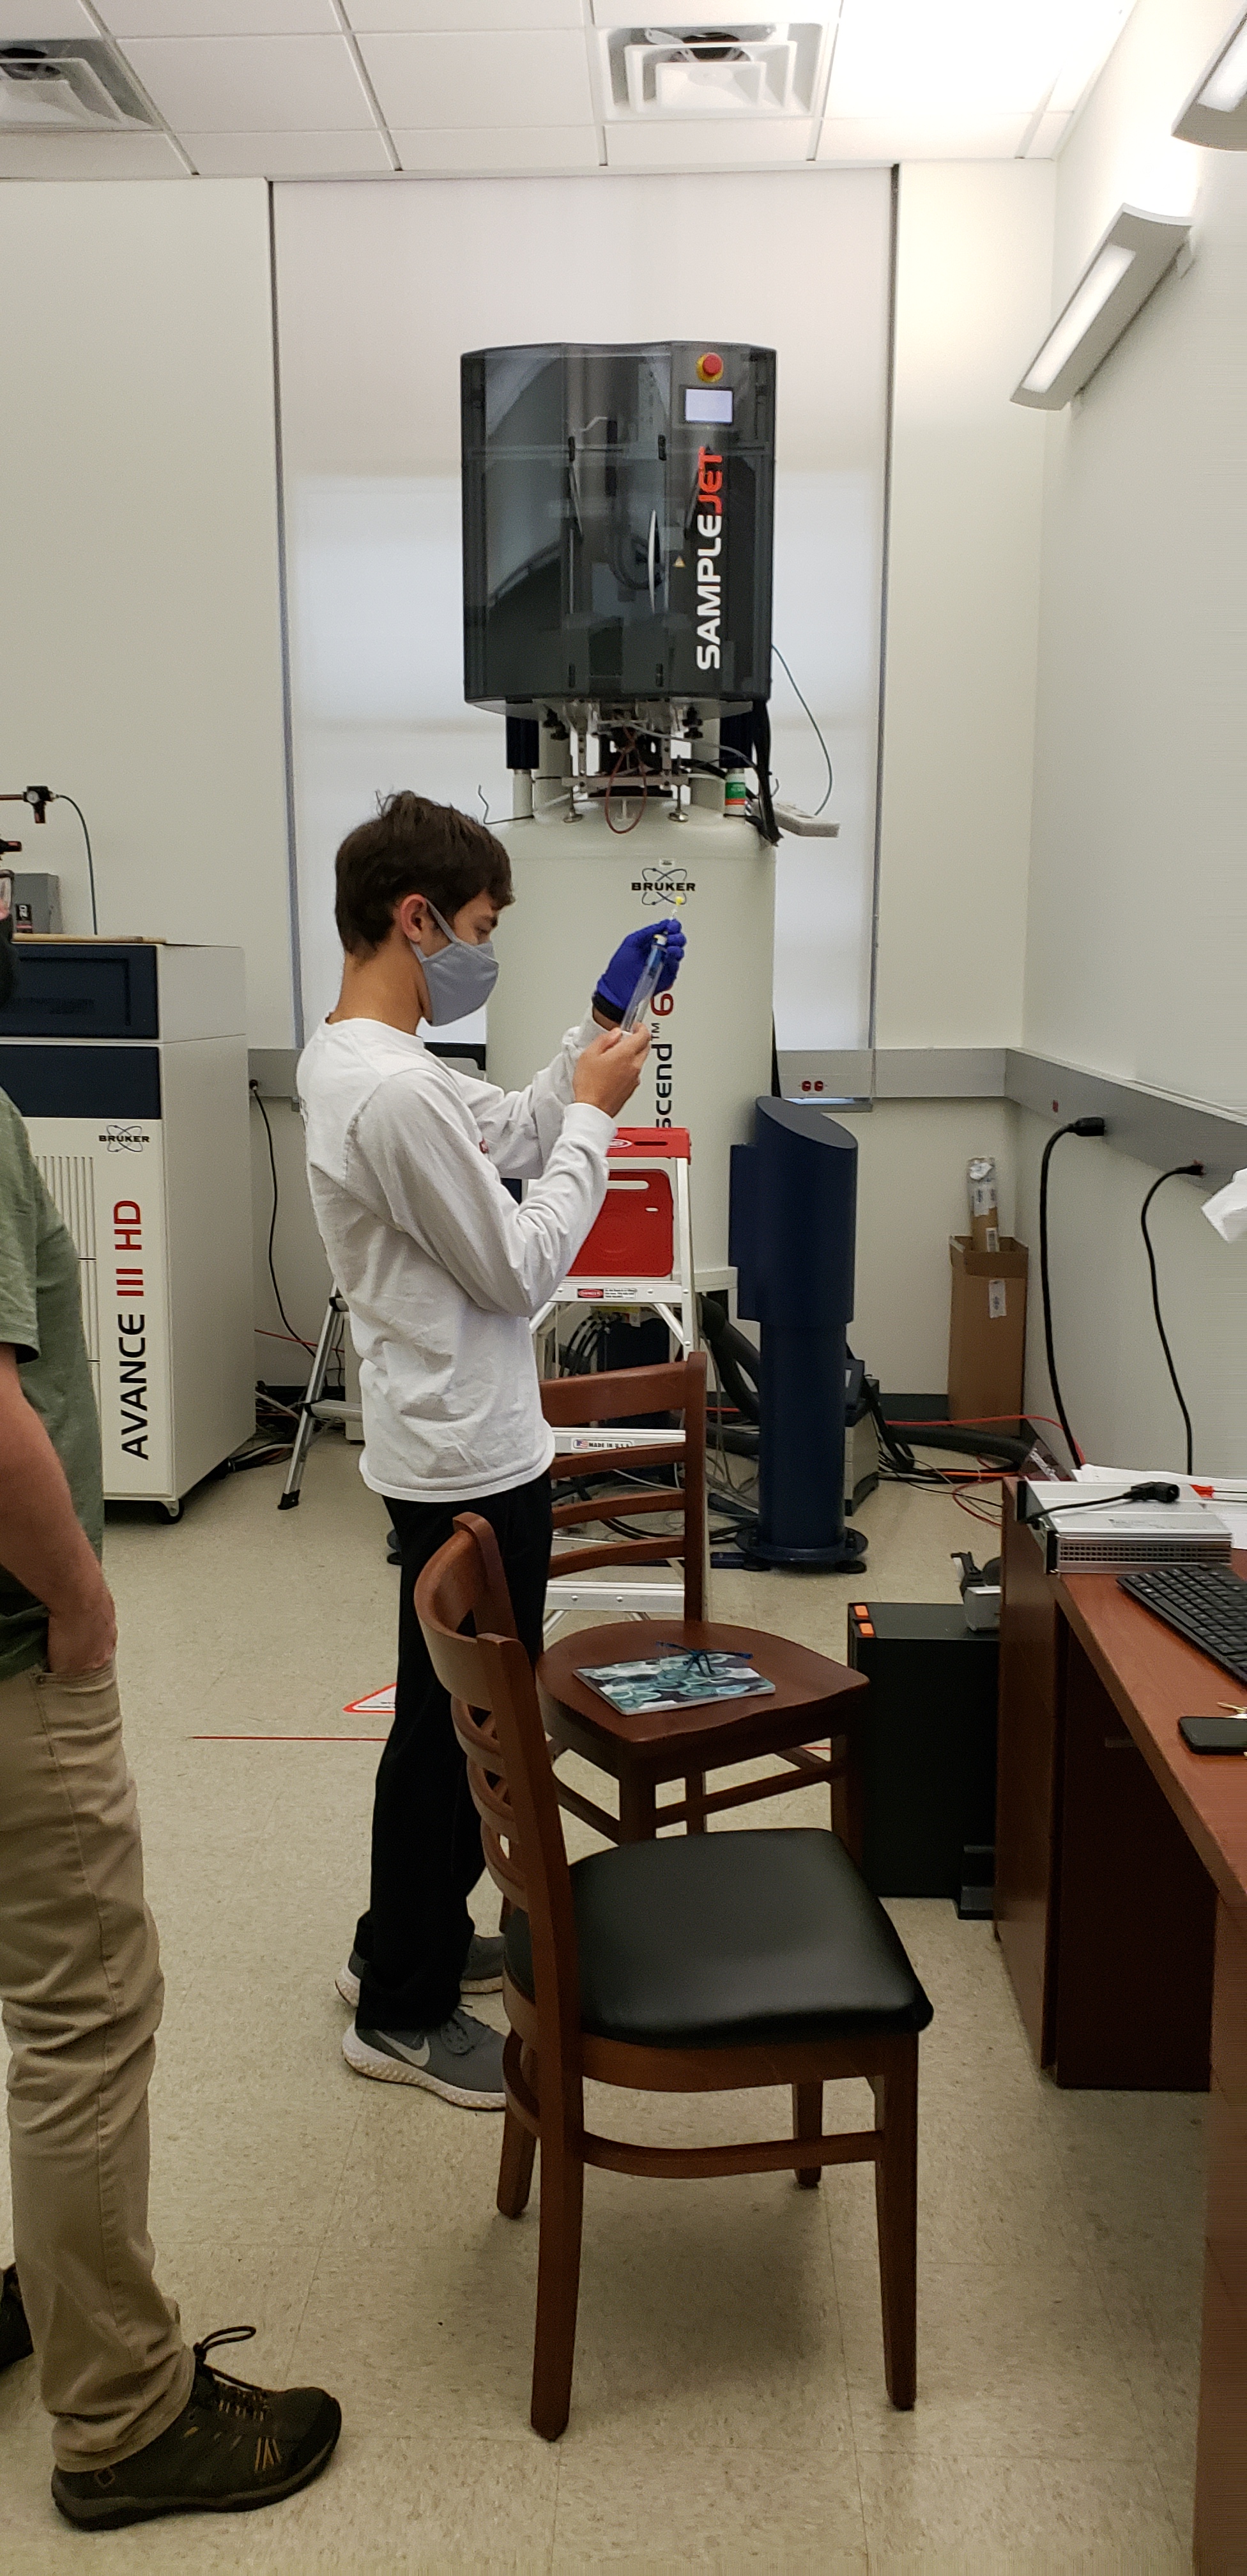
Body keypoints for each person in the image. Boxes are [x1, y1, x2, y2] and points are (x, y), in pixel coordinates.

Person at [0, 910, 341, 2529]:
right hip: (12, 1657)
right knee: (83, 2014)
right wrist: (77, 1598)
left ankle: (38, 2288)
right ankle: (124, 2420)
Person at [298, 792, 684, 2112]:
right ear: (415, 919)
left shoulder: (372, 1062)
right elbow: (522, 1269)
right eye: (477, 927)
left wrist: (593, 1037)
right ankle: (402, 2013)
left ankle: (391, 1944)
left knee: (436, 1719)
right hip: (469, 1461)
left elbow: (508, 1129)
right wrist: (601, 1121)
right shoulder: (390, 1093)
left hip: (448, 1439)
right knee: (458, 1737)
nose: (484, 951)